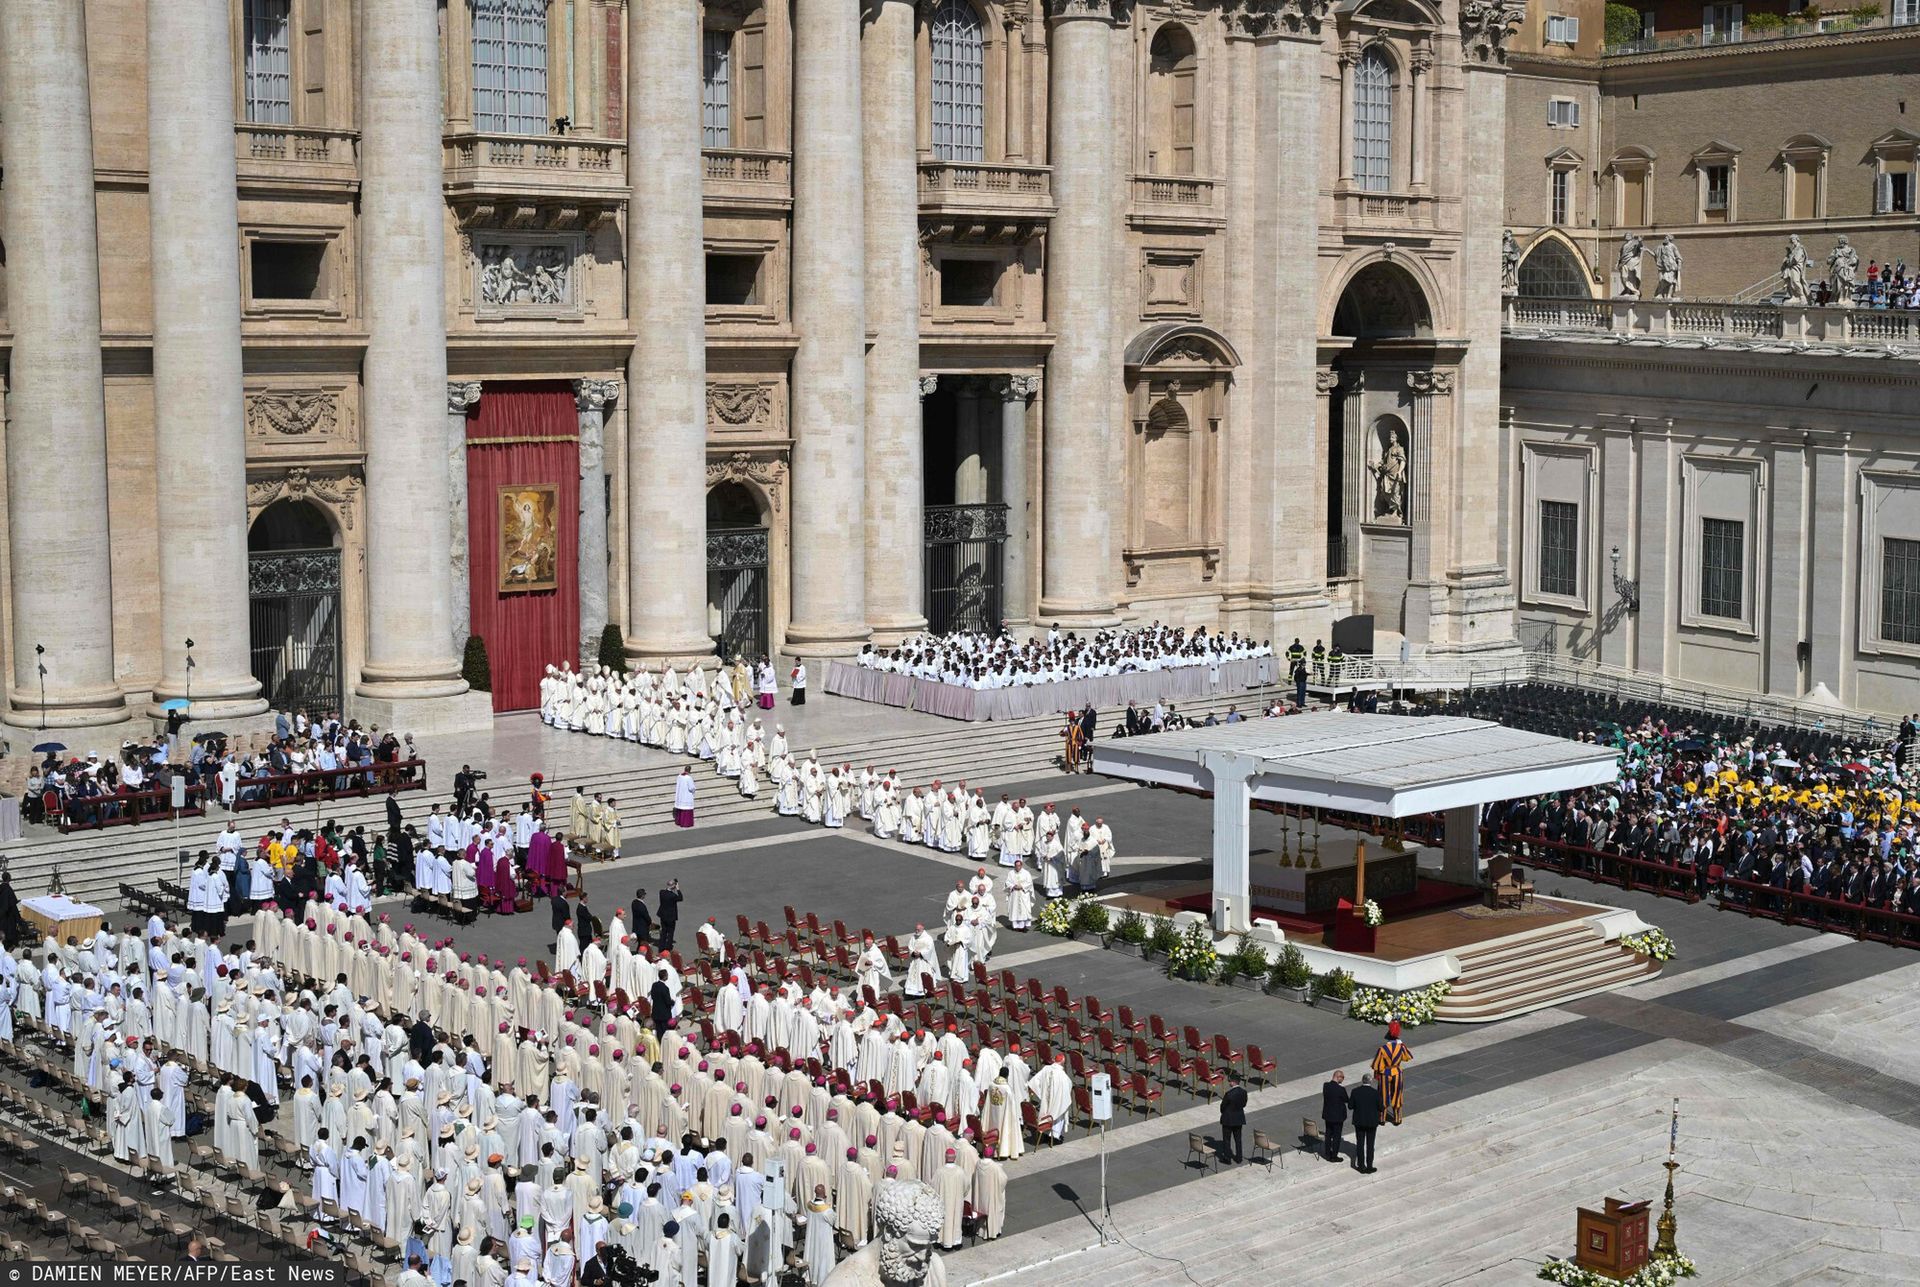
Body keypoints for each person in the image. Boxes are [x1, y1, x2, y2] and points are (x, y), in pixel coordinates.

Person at [1370, 1021, 1413, 1125]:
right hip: (1397, 1072)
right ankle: (1397, 1118)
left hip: (1385, 1072)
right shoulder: (1401, 1047)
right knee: (1397, 1094)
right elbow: (1407, 1057)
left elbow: (1376, 1065)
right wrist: (1401, 1044)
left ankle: (1382, 1118)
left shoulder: (1382, 1049)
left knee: (1383, 1095)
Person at [1348, 1073, 1383, 1173]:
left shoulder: (1355, 1092)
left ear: (1362, 1080)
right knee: (1370, 1145)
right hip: (1372, 1122)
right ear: (1371, 1081)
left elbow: (1350, 1106)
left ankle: (1361, 1166)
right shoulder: (1375, 1093)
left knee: (1360, 1143)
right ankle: (1369, 1166)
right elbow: (1381, 1108)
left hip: (1359, 1121)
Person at [1218, 1071, 1247, 1165]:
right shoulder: (1243, 1092)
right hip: (1239, 1118)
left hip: (1228, 1120)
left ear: (1233, 1082)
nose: (1229, 1083)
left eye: (1230, 1081)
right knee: (1238, 1139)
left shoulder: (1229, 1094)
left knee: (1227, 1140)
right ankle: (1239, 1158)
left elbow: (1222, 1107)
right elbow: (1243, 1104)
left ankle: (1227, 1158)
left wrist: (1225, 1113)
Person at [1320, 1069, 1348, 1163]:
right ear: (1338, 1076)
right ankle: (1334, 1156)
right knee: (1336, 1136)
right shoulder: (1341, 1089)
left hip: (1328, 1115)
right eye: (1342, 1077)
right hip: (1338, 1117)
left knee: (1328, 1134)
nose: (1343, 1079)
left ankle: (1327, 1153)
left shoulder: (1326, 1086)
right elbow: (1346, 1099)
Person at [655, 880, 682, 951]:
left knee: (663, 932)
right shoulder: (673, 896)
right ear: (673, 886)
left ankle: (661, 948)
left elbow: (666, 890)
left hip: (663, 916)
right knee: (670, 933)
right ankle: (668, 948)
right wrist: (678, 889)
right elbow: (680, 898)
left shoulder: (661, 892)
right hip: (670, 917)